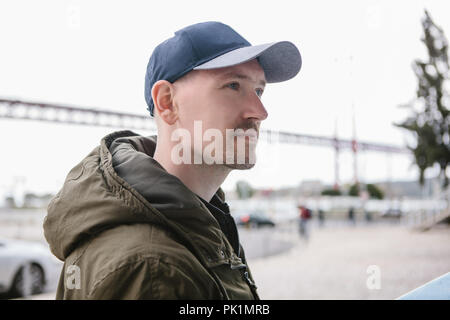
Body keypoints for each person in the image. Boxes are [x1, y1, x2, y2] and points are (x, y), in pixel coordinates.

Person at [43, 21, 301, 299]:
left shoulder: (199, 223)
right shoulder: (152, 268)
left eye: (259, 91)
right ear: (167, 102)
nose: (260, 112)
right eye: (233, 85)